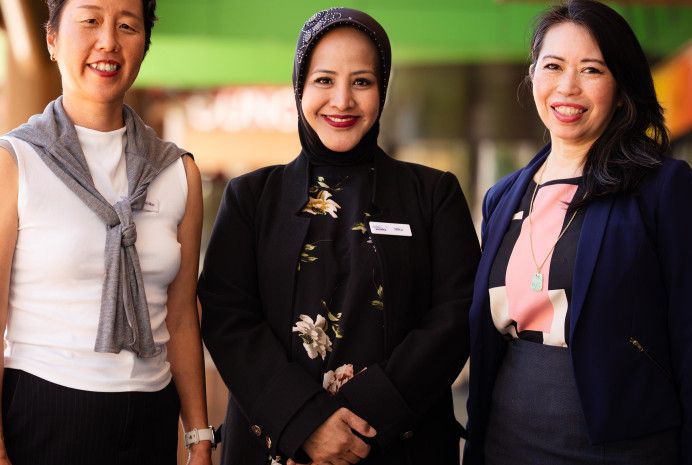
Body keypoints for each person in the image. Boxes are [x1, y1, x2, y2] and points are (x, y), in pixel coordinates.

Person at [198, 7, 480, 465]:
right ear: (300, 88)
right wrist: (304, 422)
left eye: (362, 81)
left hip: (397, 445)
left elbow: (455, 316)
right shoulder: (251, 197)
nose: (342, 100)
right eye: (324, 80)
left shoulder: (433, 194)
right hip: (279, 446)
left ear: (382, 89)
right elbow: (228, 318)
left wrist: (359, 419)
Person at [464, 1, 692, 464]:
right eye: (553, 66)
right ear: (532, 75)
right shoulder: (503, 198)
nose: (568, 87)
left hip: (621, 444)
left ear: (621, 88)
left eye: (592, 70)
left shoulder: (661, 187)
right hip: (508, 437)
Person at [0, 1, 212, 464]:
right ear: (52, 39)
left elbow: (181, 318)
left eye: (127, 26)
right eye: (90, 21)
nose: (108, 41)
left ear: (144, 46)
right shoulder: (10, 163)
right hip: (46, 411)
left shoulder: (177, 172)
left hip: (151, 419)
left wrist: (198, 437)